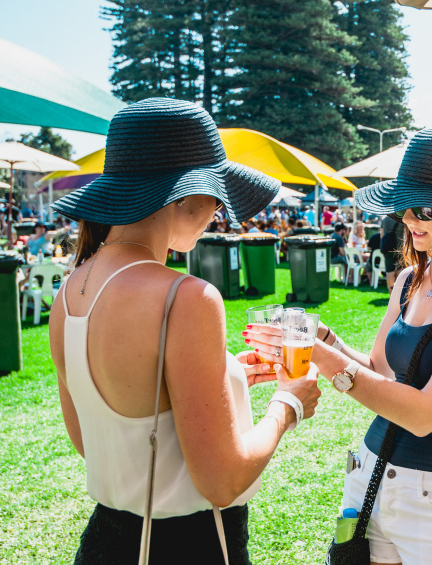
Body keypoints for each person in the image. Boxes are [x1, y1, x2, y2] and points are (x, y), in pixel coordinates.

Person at [47, 98, 320, 563]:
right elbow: (223, 481)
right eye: (216, 194)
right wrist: (289, 402)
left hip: (104, 544)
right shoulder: (187, 297)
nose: (218, 210)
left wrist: (219, 376)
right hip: (190, 546)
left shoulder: (69, 292)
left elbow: (93, 439)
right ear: (181, 196)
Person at [248, 127, 432, 565]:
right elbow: (379, 367)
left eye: (422, 209)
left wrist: (322, 356)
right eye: (402, 208)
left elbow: (425, 414)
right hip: (370, 476)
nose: (407, 220)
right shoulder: (408, 281)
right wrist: (324, 338)